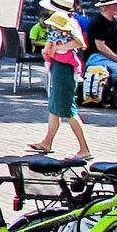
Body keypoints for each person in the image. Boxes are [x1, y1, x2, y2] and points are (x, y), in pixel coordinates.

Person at [32, 10, 92, 157]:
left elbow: (80, 43)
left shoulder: (70, 26)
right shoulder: (62, 28)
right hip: (59, 69)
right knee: (55, 108)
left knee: (69, 110)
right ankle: (47, 142)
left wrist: (59, 48)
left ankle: (84, 149)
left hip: (65, 71)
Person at [82, 0, 117, 104]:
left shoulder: (116, 21)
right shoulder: (97, 22)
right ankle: (108, 92)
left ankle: (113, 93)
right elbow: (101, 46)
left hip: (112, 55)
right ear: (108, 6)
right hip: (96, 56)